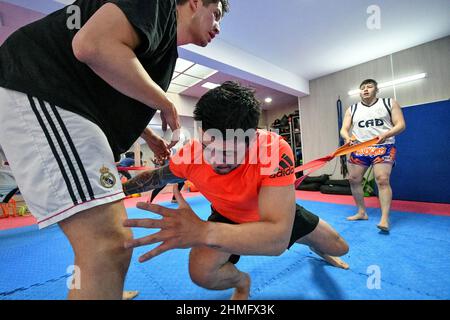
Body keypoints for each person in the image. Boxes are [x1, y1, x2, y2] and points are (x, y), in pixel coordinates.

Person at [0, 0, 229, 299]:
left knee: (108, 244)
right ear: (196, 2)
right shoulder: (158, 6)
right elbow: (91, 44)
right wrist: (167, 103)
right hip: (42, 88)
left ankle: (102, 286)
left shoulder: (160, 46)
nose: (218, 27)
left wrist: (148, 136)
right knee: (108, 244)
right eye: (216, 14)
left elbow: (107, 83)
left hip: (69, 104)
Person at [122, 82, 349, 300]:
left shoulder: (273, 149)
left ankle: (309, 240)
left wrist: (201, 231)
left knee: (340, 248)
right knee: (201, 273)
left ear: (252, 138)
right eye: (208, 147)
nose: (217, 160)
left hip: (273, 213)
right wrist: (117, 191)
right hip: (227, 216)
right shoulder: (191, 153)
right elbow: (155, 177)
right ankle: (242, 283)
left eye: (230, 153)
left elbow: (276, 241)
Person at [340, 79, 406, 232]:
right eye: (362, 88)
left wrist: (387, 134)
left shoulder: (389, 103)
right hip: (360, 147)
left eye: (369, 87)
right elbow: (344, 129)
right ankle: (361, 212)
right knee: (353, 179)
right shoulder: (352, 108)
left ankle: (384, 218)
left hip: (383, 146)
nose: (365, 89)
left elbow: (401, 124)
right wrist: (347, 138)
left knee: (382, 179)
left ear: (377, 90)